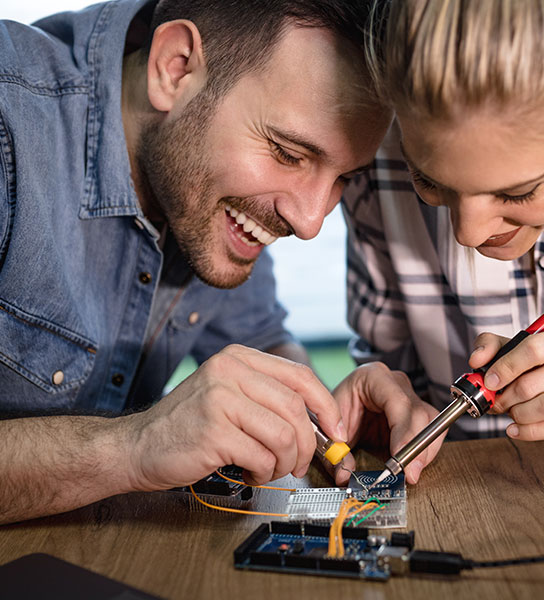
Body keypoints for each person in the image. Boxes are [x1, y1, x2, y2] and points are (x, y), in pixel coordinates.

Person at [0, 0, 443, 525]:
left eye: (343, 177)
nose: (309, 221)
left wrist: (321, 417)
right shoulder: (12, 127)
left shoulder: (215, 200)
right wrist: (136, 447)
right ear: (176, 67)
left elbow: (260, 336)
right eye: (288, 154)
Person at [342, 0, 544, 463]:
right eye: (428, 180)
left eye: (517, 193)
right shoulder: (373, 172)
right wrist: (386, 403)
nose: (467, 234)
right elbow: (387, 377)